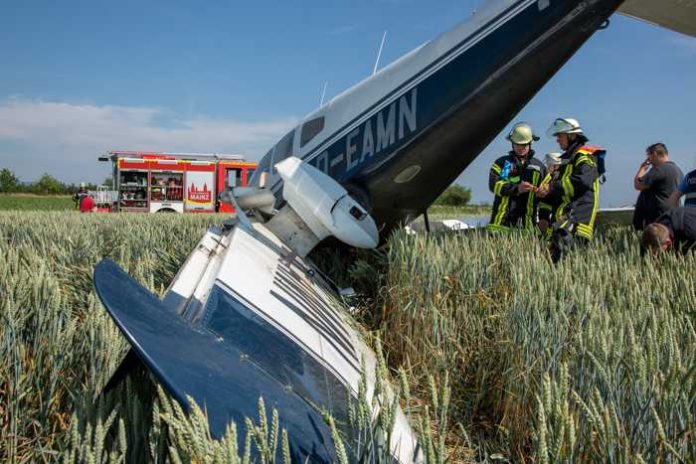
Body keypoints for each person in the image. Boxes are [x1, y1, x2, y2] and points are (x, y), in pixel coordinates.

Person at [536, 118, 605, 263]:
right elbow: (558, 189)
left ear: (572, 136)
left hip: (576, 225)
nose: (557, 140)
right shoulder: (568, 159)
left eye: (560, 136)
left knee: (563, 268)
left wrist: (552, 187)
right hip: (563, 224)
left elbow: (582, 181)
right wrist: (545, 193)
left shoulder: (584, 156)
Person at [487, 122, 546, 231]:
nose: (521, 147)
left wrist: (543, 192)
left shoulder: (539, 167)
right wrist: (516, 188)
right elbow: (495, 184)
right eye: (517, 144)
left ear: (530, 143)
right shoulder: (506, 163)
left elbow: (548, 194)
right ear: (512, 143)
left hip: (527, 228)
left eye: (524, 144)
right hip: (501, 225)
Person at [632, 143, 683, 231]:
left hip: (657, 219)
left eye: (649, 157)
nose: (649, 161)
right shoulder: (678, 171)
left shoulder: (659, 170)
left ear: (655, 154)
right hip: (673, 216)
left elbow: (638, 185)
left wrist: (642, 168)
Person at [537, 152, 563, 235]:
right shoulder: (548, 177)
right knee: (543, 225)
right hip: (545, 207)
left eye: (549, 164)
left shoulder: (563, 178)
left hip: (560, 210)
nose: (547, 166)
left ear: (556, 165)